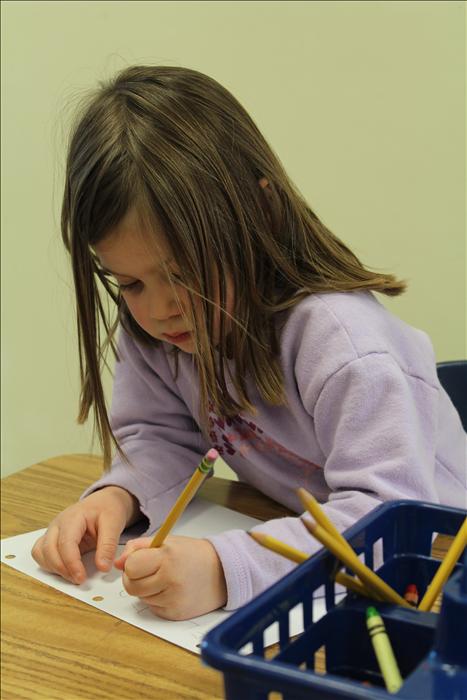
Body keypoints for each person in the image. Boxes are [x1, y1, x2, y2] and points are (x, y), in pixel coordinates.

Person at [32, 65, 466, 621]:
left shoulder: (349, 347)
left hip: (435, 578)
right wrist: (119, 497)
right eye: (130, 283)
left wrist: (224, 570)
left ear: (260, 211)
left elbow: (389, 523)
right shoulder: (160, 330)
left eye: (182, 272)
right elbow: (161, 436)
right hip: (328, 566)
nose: (160, 309)